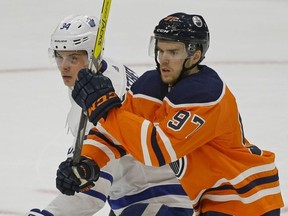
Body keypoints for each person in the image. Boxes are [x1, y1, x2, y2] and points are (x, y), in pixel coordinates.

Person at [58, 12, 284, 215]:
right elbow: (114, 136)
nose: (164, 59)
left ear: (195, 55)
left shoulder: (206, 94)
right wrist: (88, 163)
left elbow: (156, 149)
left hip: (249, 199)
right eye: (161, 50)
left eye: (173, 52)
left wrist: (105, 108)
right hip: (214, 201)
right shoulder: (153, 84)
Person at [27, 14, 194, 216]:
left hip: (157, 201)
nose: (64, 66)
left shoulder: (105, 101)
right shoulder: (102, 74)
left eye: (73, 57)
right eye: (58, 56)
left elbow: (90, 195)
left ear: (91, 55)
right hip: (149, 196)